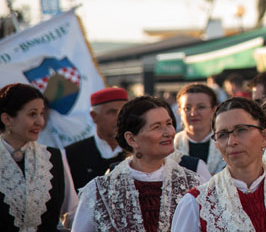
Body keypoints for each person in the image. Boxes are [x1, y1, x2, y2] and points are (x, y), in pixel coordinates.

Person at [171, 97, 266, 232]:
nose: (232, 141)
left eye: (242, 130)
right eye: (223, 134)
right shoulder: (195, 203)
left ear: (264, 137)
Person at [72, 96, 201, 232]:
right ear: (132, 139)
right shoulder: (99, 192)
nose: (168, 132)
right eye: (157, 127)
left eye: (169, 123)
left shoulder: (193, 184)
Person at [0, 83, 78, 231]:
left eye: (41, 113)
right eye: (32, 114)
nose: (40, 122)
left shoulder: (54, 158)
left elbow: (73, 214)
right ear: (7, 119)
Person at [66, 87, 129, 190]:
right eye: (112, 112)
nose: (119, 118)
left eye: (123, 112)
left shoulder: (138, 151)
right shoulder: (72, 154)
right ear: (94, 116)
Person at [174, 83, 225, 175]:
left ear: (214, 110)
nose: (193, 113)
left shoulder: (226, 144)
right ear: (179, 111)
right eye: (187, 108)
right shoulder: (172, 146)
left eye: (201, 107)